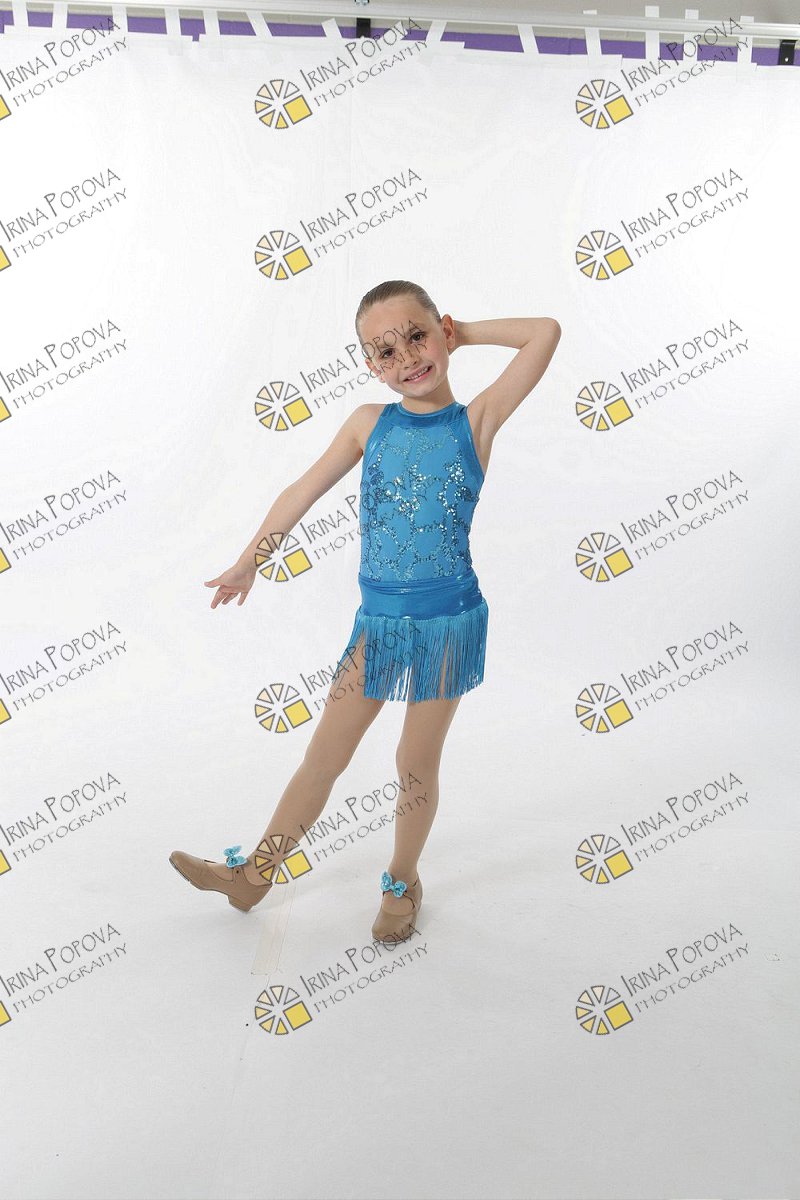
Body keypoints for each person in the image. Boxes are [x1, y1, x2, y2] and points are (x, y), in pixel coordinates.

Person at [170, 280, 561, 944]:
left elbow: (544, 332)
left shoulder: (475, 422)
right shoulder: (367, 424)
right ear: (370, 365)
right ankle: (255, 874)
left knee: (414, 762)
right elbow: (301, 489)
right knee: (324, 754)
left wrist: (466, 331)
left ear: (441, 332)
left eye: (418, 336)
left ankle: (402, 881)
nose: (406, 358)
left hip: (446, 625)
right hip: (377, 625)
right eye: (385, 352)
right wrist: (250, 559)